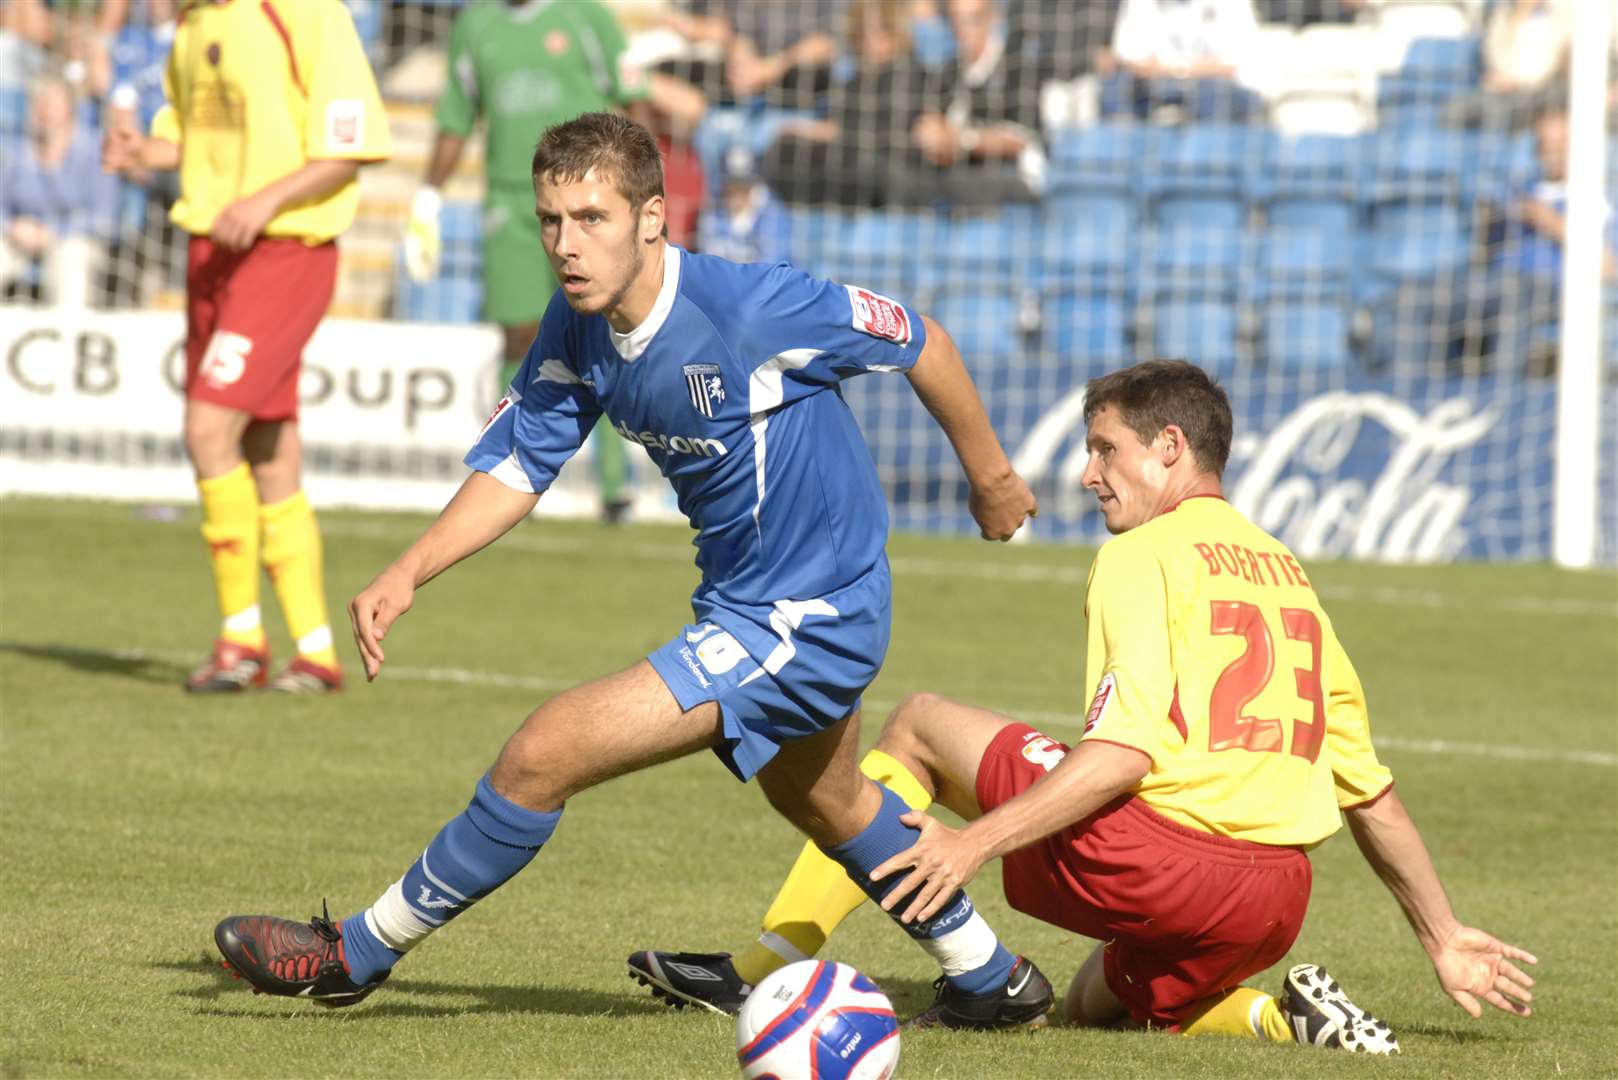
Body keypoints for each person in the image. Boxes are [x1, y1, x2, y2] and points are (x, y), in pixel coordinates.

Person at [211, 112, 1052, 1031]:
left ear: (652, 218)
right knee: (829, 798)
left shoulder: (748, 307)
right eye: (550, 221)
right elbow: (519, 462)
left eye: (592, 218)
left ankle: (352, 958)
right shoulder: (577, 329)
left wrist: (995, 479)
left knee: (543, 751)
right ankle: (989, 975)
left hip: (805, 615)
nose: (567, 246)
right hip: (751, 601)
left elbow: (920, 338)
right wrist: (408, 570)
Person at [630, 360, 1538, 1054]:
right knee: (1095, 1005)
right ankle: (1282, 1020)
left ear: (1170, 449)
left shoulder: (1144, 555)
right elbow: (1368, 792)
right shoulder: (1288, 573)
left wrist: (969, 841)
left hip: (1164, 860)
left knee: (917, 723)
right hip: (1274, 900)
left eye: (1106, 449)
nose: (1090, 473)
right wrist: (1444, 935)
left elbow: (1126, 754)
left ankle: (766, 966)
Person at [101, 0, 392, 693]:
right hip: (212, 250)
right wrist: (141, 152)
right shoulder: (194, 25)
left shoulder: (306, 14)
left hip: (286, 251)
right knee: (268, 445)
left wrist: (264, 202)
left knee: (207, 428)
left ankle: (240, 640)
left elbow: (347, 146)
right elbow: (186, 138)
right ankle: (316, 651)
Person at [402, 0, 651, 524]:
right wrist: (428, 195)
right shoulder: (475, 26)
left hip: (589, 202)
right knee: (519, 333)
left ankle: (614, 484)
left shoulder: (587, 17)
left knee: (603, 329)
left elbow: (634, 100)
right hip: (511, 202)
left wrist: (646, 186)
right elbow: (456, 117)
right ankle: (507, 474)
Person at [909, 0, 1046, 208]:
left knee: (960, 186)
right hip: (959, 174)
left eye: (972, 19)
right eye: (955, 20)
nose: (962, 28)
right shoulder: (948, 72)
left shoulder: (1019, 66)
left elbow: (1022, 140)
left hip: (1014, 176)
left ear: (992, 18)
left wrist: (963, 140)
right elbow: (935, 123)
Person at [1, 75, 118, 308]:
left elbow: (105, 220)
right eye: (39, 104)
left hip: (74, 240)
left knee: (71, 259)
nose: (44, 113)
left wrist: (53, 231)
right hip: (21, 238)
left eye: (52, 105)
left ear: (70, 110)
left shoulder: (94, 152)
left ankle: (69, 337)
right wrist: (13, 227)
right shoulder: (16, 152)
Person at [1098, 0, 1264, 124]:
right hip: (1154, 88)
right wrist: (1188, 70)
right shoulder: (1141, 4)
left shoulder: (1232, 4)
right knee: (1114, 88)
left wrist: (1177, 71)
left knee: (1215, 93)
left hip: (1212, 89)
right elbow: (1132, 60)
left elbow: (1231, 66)